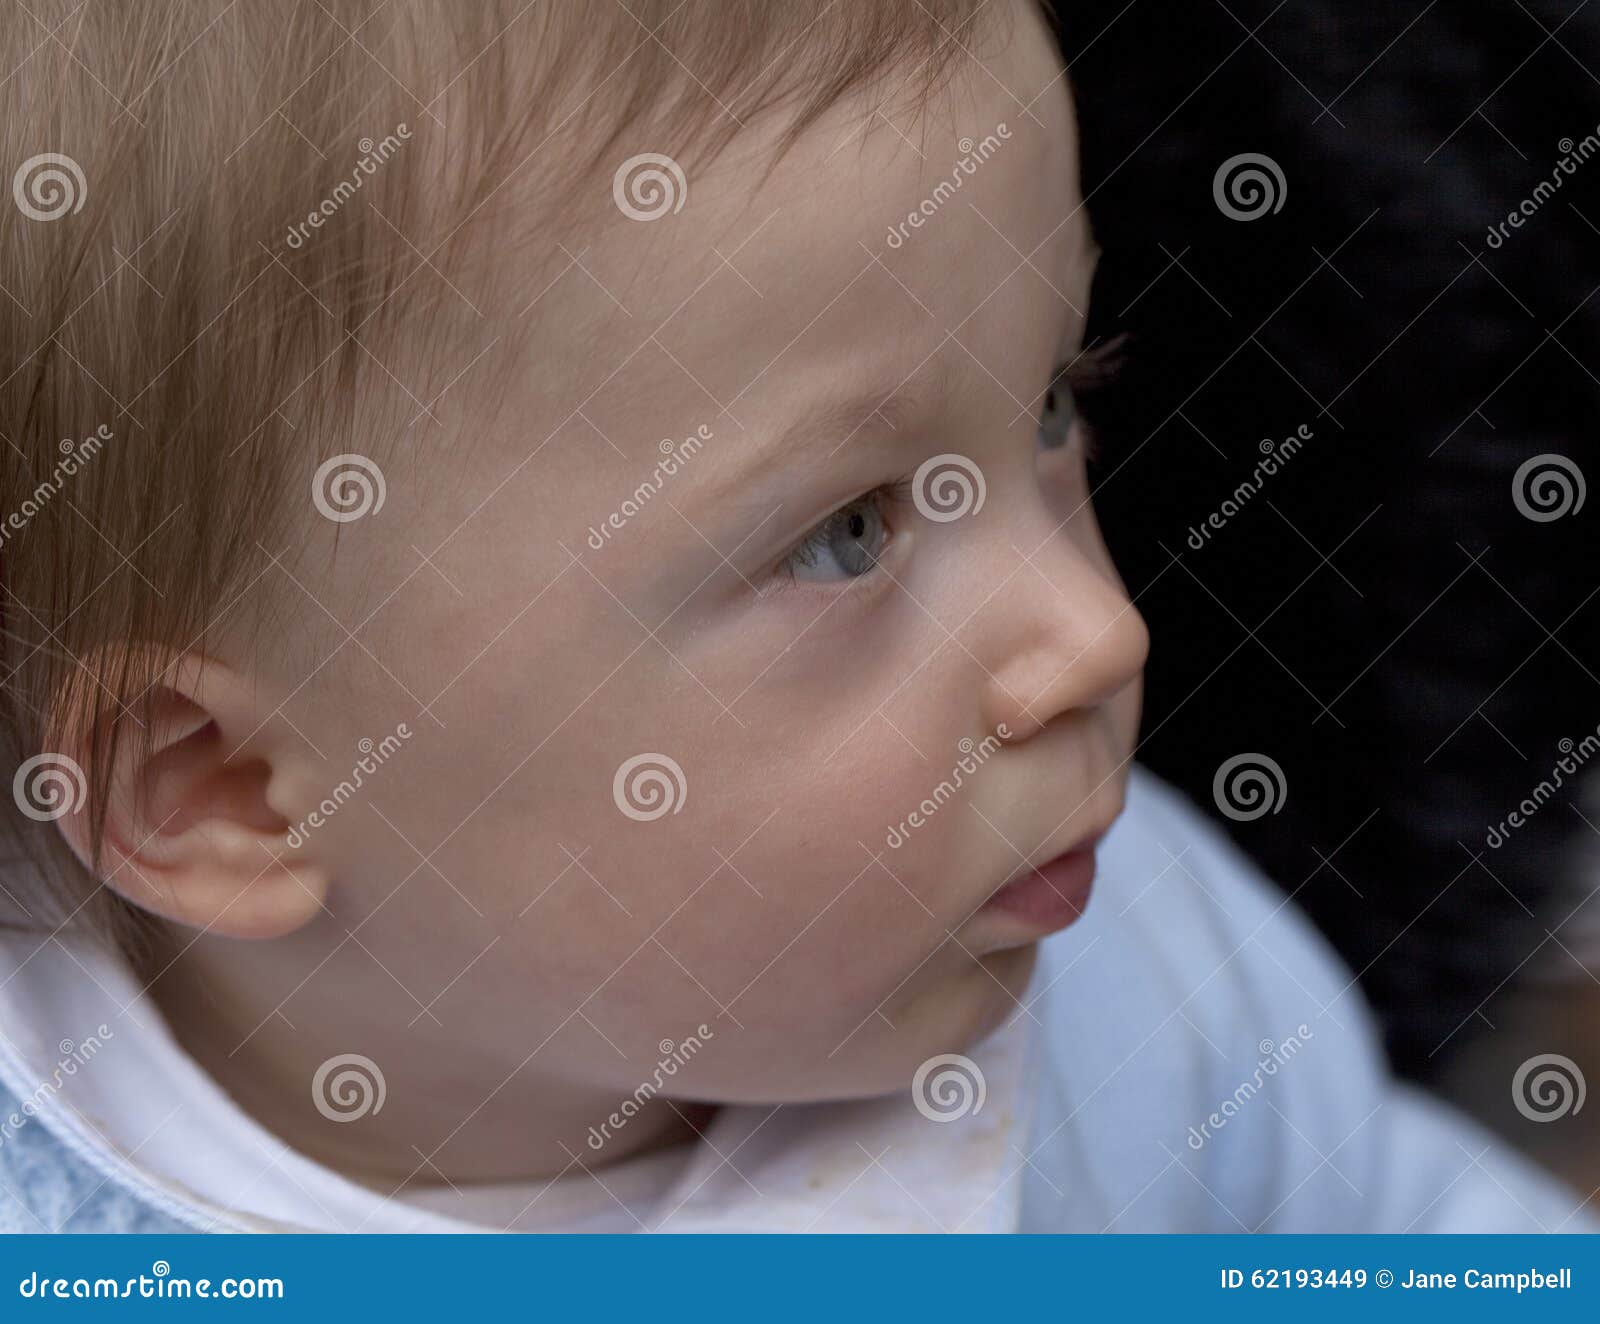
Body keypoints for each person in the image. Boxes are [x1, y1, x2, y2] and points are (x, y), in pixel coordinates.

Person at [0, 0, 1591, 1233]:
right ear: (227, 791)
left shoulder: (1128, 972)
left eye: (1050, 410)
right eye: (845, 535)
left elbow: (1377, 1224)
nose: (1095, 632)